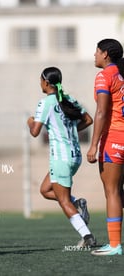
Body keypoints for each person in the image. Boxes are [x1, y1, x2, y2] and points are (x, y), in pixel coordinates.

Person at [27, 66, 95, 249]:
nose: (39, 83)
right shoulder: (69, 99)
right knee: (45, 190)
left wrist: (30, 121)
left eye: (40, 80)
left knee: (63, 200)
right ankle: (78, 203)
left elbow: (34, 132)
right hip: (75, 156)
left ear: (46, 82)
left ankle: (87, 236)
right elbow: (88, 120)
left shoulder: (45, 103)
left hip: (61, 158)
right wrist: (70, 130)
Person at [87, 38, 124, 256]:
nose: (94, 55)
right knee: (117, 192)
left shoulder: (105, 75)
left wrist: (93, 145)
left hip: (114, 138)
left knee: (112, 191)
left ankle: (114, 244)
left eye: (97, 51)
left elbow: (101, 112)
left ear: (106, 54)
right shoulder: (121, 75)